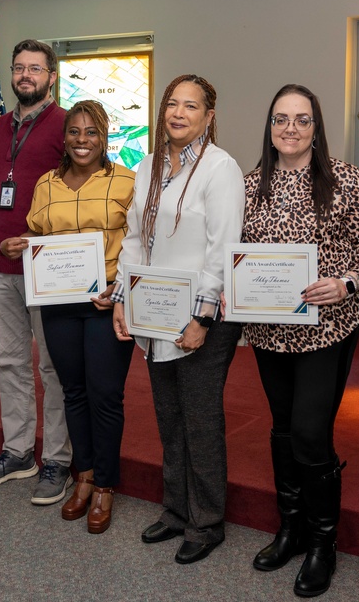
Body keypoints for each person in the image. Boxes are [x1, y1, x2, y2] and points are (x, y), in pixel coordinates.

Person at [241, 84, 359, 597]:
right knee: (282, 430)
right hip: (267, 331)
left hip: (328, 327)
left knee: (308, 431)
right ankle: (292, 527)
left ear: (316, 126)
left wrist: (345, 283)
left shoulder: (345, 180)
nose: (290, 128)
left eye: (302, 119)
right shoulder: (249, 185)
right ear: (270, 125)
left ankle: (324, 541)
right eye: (280, 118)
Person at [112, 74, 244, 564]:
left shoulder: (220, 168)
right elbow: (133, 239)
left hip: (201, 317)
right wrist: (123, 297)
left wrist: (203, 317)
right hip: (155, 311)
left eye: (192, 106)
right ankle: (174, 510)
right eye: (172, 103)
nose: (179, 113)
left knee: (201, 418)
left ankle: (206, 522)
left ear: (209, 116)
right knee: (169, 418)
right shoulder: (145, 166)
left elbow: (222, 248)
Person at [1, 100, 136, 533]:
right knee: (72, 391)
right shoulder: (46, 183)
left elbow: (139, 245)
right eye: (75, 132)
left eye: (92, 132)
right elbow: (40, 237)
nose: (82, 140)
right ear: (66, 137)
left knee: (105, 395)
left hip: (105, 303)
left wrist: (120, 290)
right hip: (58, 302)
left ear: (105, 137)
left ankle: (106, 486)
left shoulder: (127, 182)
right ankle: (84, 476)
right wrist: (15, 244)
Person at [0, 39, 73, 505]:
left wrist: (40, 240)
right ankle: (17, 451)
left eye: (35, 68)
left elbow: (76, 199)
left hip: (46, 265)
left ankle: (57, 458)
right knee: (10, 361)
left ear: (52, 75)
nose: (25, 75)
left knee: (52, 365)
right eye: (19, 68)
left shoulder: (68, 126)